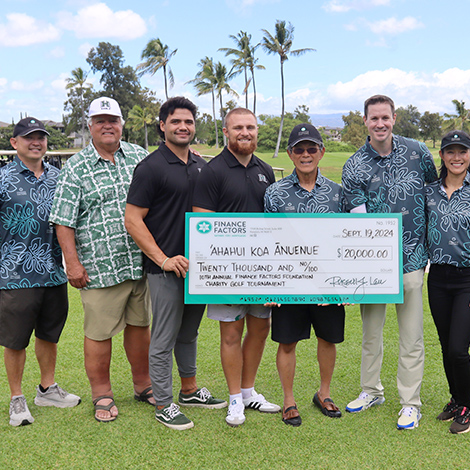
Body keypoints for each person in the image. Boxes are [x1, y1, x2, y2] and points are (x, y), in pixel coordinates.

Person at [125, 97, 227, 431]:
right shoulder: (151, 167)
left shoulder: (200, 165)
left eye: (188, 122)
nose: (183, 127)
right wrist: (163, 259)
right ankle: (164, 403)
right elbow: (132, 220)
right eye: (176, 122)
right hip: (166, 268)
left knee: (189, 333)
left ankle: (189, 390)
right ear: (163, 126)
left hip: (200, 269)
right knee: (164, 337)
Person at [49, 96, 153, 422]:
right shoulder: (76, 168)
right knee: (99, 333)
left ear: (122, 124)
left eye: (113, 120)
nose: (107, 125)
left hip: (139, 262)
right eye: (100, 121)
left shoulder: (140, 157)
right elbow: (63, 221)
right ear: (90, 126)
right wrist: (73, 263)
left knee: (140, 328)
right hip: (98, 268)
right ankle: (102, 393)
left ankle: (143, 385)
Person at [0, 117, 81, 426]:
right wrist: (8, 248)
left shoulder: (59, 179)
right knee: (16, 339)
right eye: (29, 137)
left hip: (54, 273)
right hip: (17, 274)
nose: (36, 142)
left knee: (49, 334)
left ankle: (47, 389)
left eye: (41, 137)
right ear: (15, 143)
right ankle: (17, 398)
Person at [341, 94, 438, 430]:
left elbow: (433, 194)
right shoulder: (354, 165)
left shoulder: (417, 152)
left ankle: (410, 402)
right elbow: (356, 215)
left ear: (394, 118)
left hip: (412, 256)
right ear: (365, 121)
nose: (379, 124)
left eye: (385, 117)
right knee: (371, 332)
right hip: (372, 264)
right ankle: (371, 390)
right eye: (373, 119)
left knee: (411, 336)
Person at [192, 107, 280, 427]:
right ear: (226, 132)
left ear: (257, 131)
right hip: (225, 271)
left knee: (260, 329)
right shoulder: (212, 171)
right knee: (231, 333)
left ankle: (247, 391)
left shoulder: (266, 170)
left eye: (251, 127)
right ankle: (233, 401)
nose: (246, 132)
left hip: (262, 271)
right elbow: (202, 224)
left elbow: (274, 225)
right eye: (238, 127)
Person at [264, 123, 346, 427]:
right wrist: (271, 286)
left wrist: (346, 285)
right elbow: (268, 241)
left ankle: (324, 394)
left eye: (312, 148)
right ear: (290, 154)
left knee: (328, 339)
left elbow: (346, 241)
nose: (306, 154)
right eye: (299, 149)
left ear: (322, 152)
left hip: (327, 284)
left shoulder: (338, 194)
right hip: (288, 282)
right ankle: (289, 400)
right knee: (287, 342)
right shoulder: (274, 193)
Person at [425, 131, 470, 434]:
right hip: (438, 276)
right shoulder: (429, 192)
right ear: (442, 156)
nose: (457, 157)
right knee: (445, 345)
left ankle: (466, 408)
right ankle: (455, 399)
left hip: (469, 277)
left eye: (462, 152)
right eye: (450, 152)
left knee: (458, 348)